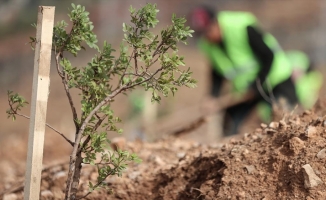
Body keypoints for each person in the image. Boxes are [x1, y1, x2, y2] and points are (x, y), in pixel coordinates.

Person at [189, 6, 300, 136]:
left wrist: (255, 86)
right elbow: (218, 71)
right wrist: (213, 95)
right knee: (230, 123)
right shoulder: (207, 44)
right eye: (202, 34)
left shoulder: (241, 27)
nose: (207, 37)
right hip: (246, 89)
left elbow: (268, 56)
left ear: (216, 23)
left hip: (275, 79)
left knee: (287, 119)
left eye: (208, 31)